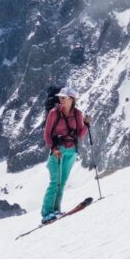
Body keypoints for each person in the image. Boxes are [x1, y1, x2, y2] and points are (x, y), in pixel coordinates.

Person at [41, 86, 89, 223]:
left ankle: (56, 210)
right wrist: (54, 148)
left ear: (72, 99)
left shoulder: (78, 114)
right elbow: (47, 135)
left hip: (72, 150)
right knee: (55, 181)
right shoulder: (53, 113)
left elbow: (80, 134)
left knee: (61, 183)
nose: (60, 99)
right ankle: (46, 213)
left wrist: (86, 125)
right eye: (60, 97)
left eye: (64, 97)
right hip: (58, 150)